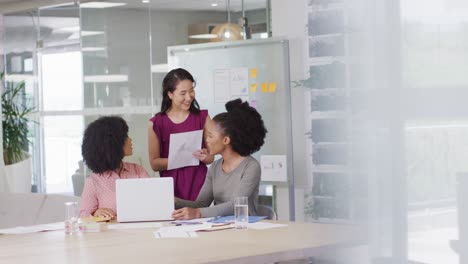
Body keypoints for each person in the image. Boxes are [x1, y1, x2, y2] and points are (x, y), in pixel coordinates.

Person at [172, 98, 267, 220]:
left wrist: (198, 213)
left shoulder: (251, 166)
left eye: (211, 135)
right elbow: (201, 204)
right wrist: (175, 201)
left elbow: (235, 205)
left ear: (226, 140)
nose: (207, 139)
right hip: (220, 227)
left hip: (246, 227)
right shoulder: (215, 167)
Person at [148, 68, 214, 201]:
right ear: (170, 94)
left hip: (200, 185)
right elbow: (154, 164)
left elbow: (210, 158)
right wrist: (182, 158)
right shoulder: (156, 123)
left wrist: (205, 156)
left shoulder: (203, 117)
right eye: (183, 93)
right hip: (171, 189)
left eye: (191, 91)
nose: (189, 97)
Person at [80, 116, 149, 218]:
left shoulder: (138, 170)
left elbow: (152, 200)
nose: (130, 140)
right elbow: (83, 215)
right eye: (125, 136)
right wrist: (96, 213)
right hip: (111, 233)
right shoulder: (93, 181)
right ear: (113, 144)